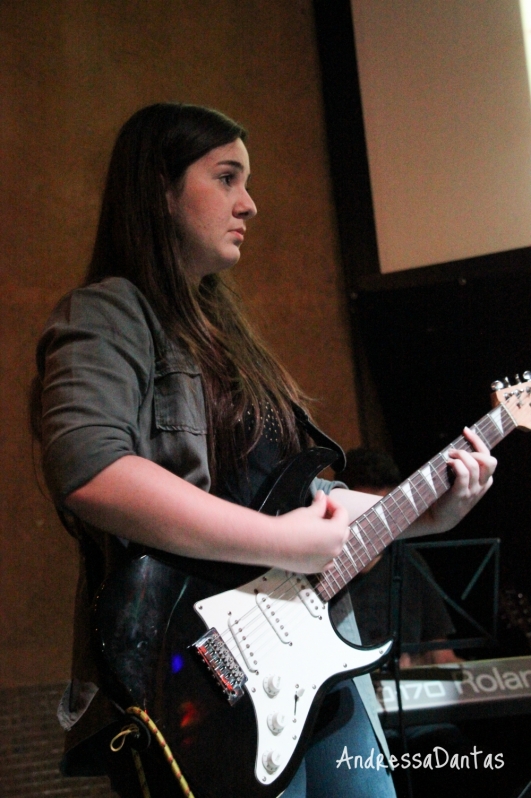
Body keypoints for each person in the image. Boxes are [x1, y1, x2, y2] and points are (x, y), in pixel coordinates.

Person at [32, 103, 496, 798]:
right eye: (226, 178)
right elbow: (91, 470)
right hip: (191, 678)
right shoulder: (107, 313)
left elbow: (299, 501)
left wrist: (426, 514)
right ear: (158, 189)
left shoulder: (232, 342)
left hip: (308, 665)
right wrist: (278, 541)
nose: (248, 203)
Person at [336, 448, 462, 667]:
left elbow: (439, 653)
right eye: (368, 515)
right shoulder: (316, 570)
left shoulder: (409, 563)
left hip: (399, 695)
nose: (379, 528)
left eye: (388, 517)